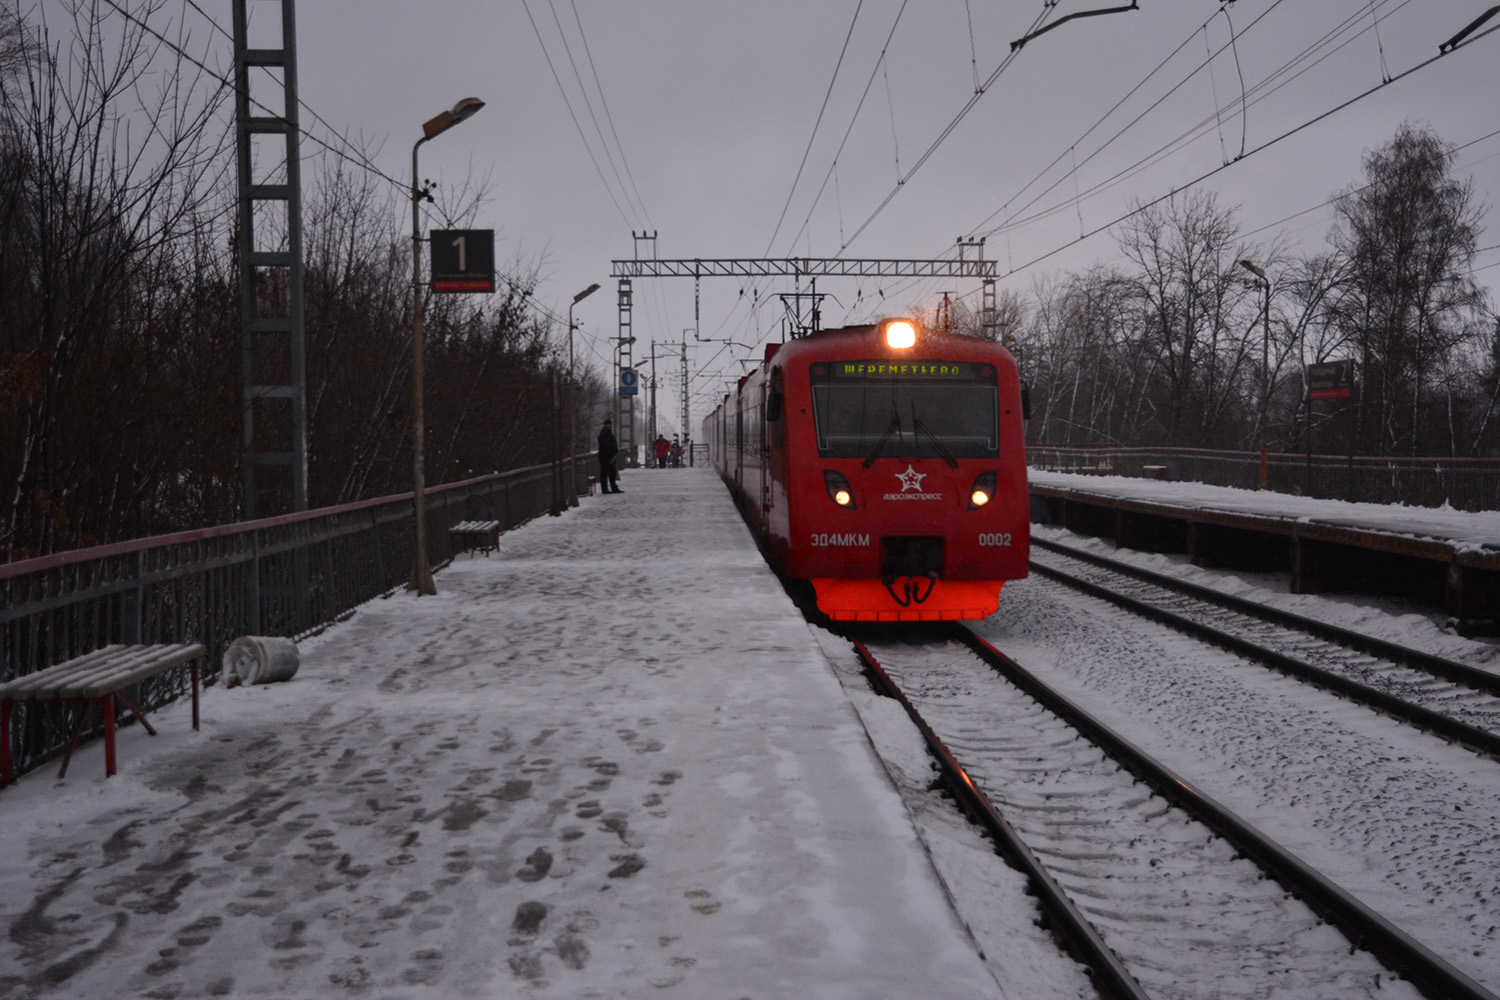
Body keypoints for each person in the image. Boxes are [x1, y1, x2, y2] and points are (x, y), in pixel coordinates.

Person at [597, 419, 622, 493]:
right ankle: (605, 489)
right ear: (605, 425)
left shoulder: (609, 433)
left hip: (610, 457)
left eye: (610, 424)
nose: (610, 425)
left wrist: (614, 454)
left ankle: (613, 487)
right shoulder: (603, 434)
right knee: (605, 473)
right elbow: (605, 446)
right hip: (605, 457)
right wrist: (611, 456)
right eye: (608, 424)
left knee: (611, 473)